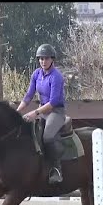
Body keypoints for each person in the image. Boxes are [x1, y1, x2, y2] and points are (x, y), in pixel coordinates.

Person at [16, 43, 66, 184]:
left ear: (52, 59)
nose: (43, 61)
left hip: (56, 112)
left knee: (48, 137)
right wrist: (17, 111)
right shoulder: (36, 74)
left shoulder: (56, 77)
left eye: (46, 58)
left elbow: (53, 102)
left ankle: (57, 169)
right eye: (41, 59)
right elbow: (28, 95)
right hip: (42, 111)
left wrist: (35, 113)